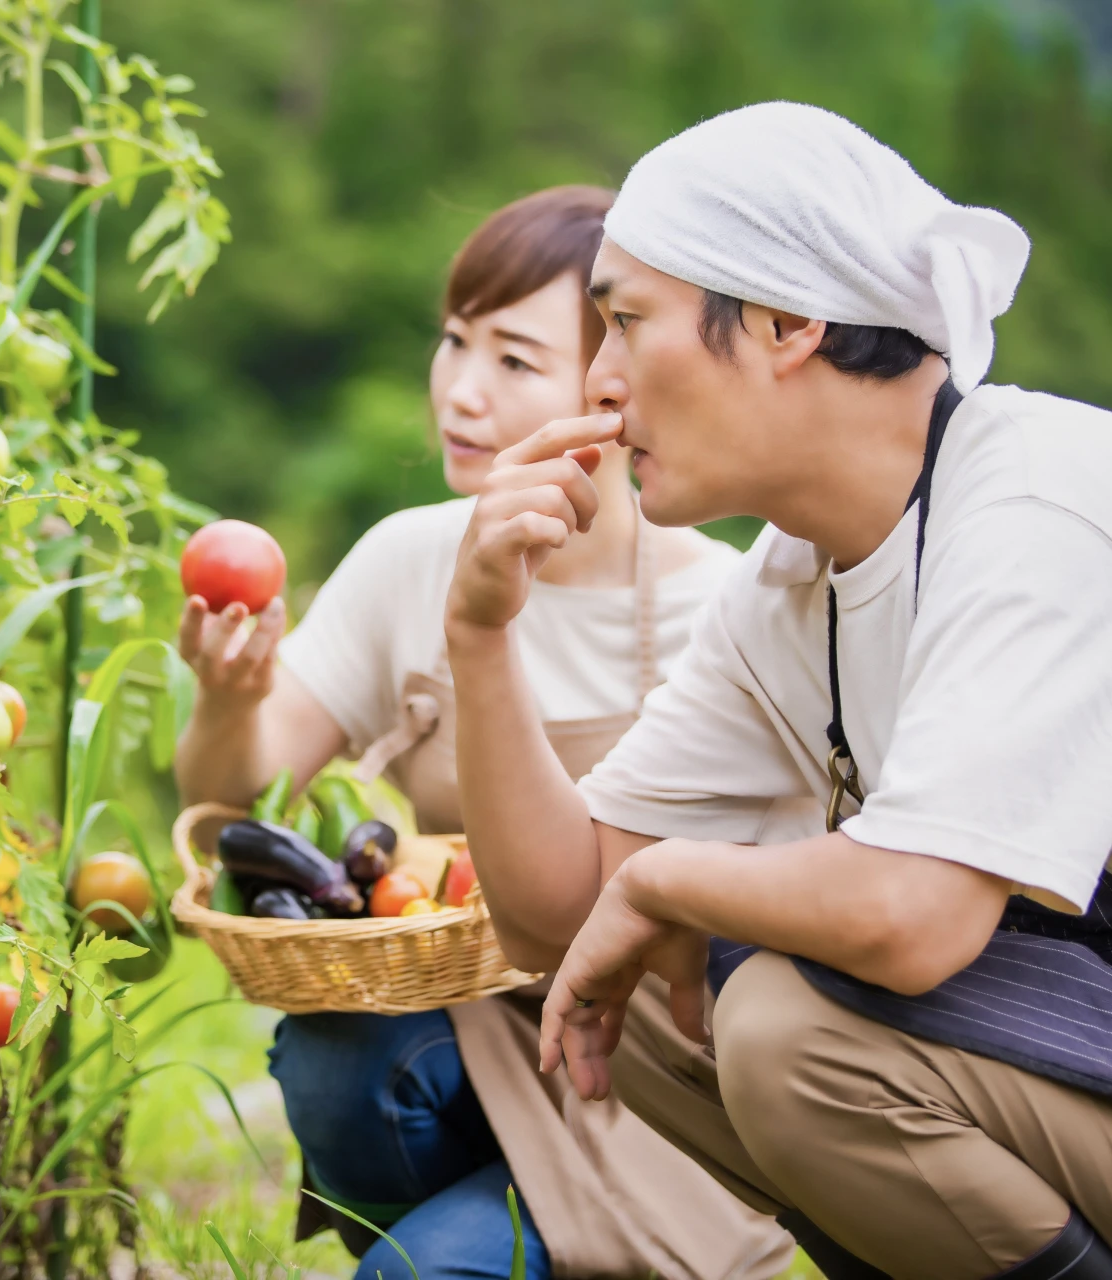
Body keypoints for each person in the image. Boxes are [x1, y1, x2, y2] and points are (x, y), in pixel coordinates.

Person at [446, 101, 1112, 1280]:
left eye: (624, 323)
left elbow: (914, 918)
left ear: (783, 321)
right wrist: (479, 631)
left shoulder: (1043, 504)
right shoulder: (792, 579)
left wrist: (670, 877)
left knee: (787, 1034)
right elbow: (556, 915)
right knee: (672, 1010)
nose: (601, 384)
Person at [174, 187, 795, 1280]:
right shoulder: (413, 557)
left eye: (513, 360)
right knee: (332, 1058)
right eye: (455, 340)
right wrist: (231, 695)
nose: (461, 391)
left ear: (613, 389)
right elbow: (234, 800)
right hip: (469, 1031)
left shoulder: (727, 606)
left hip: (655, 1084)